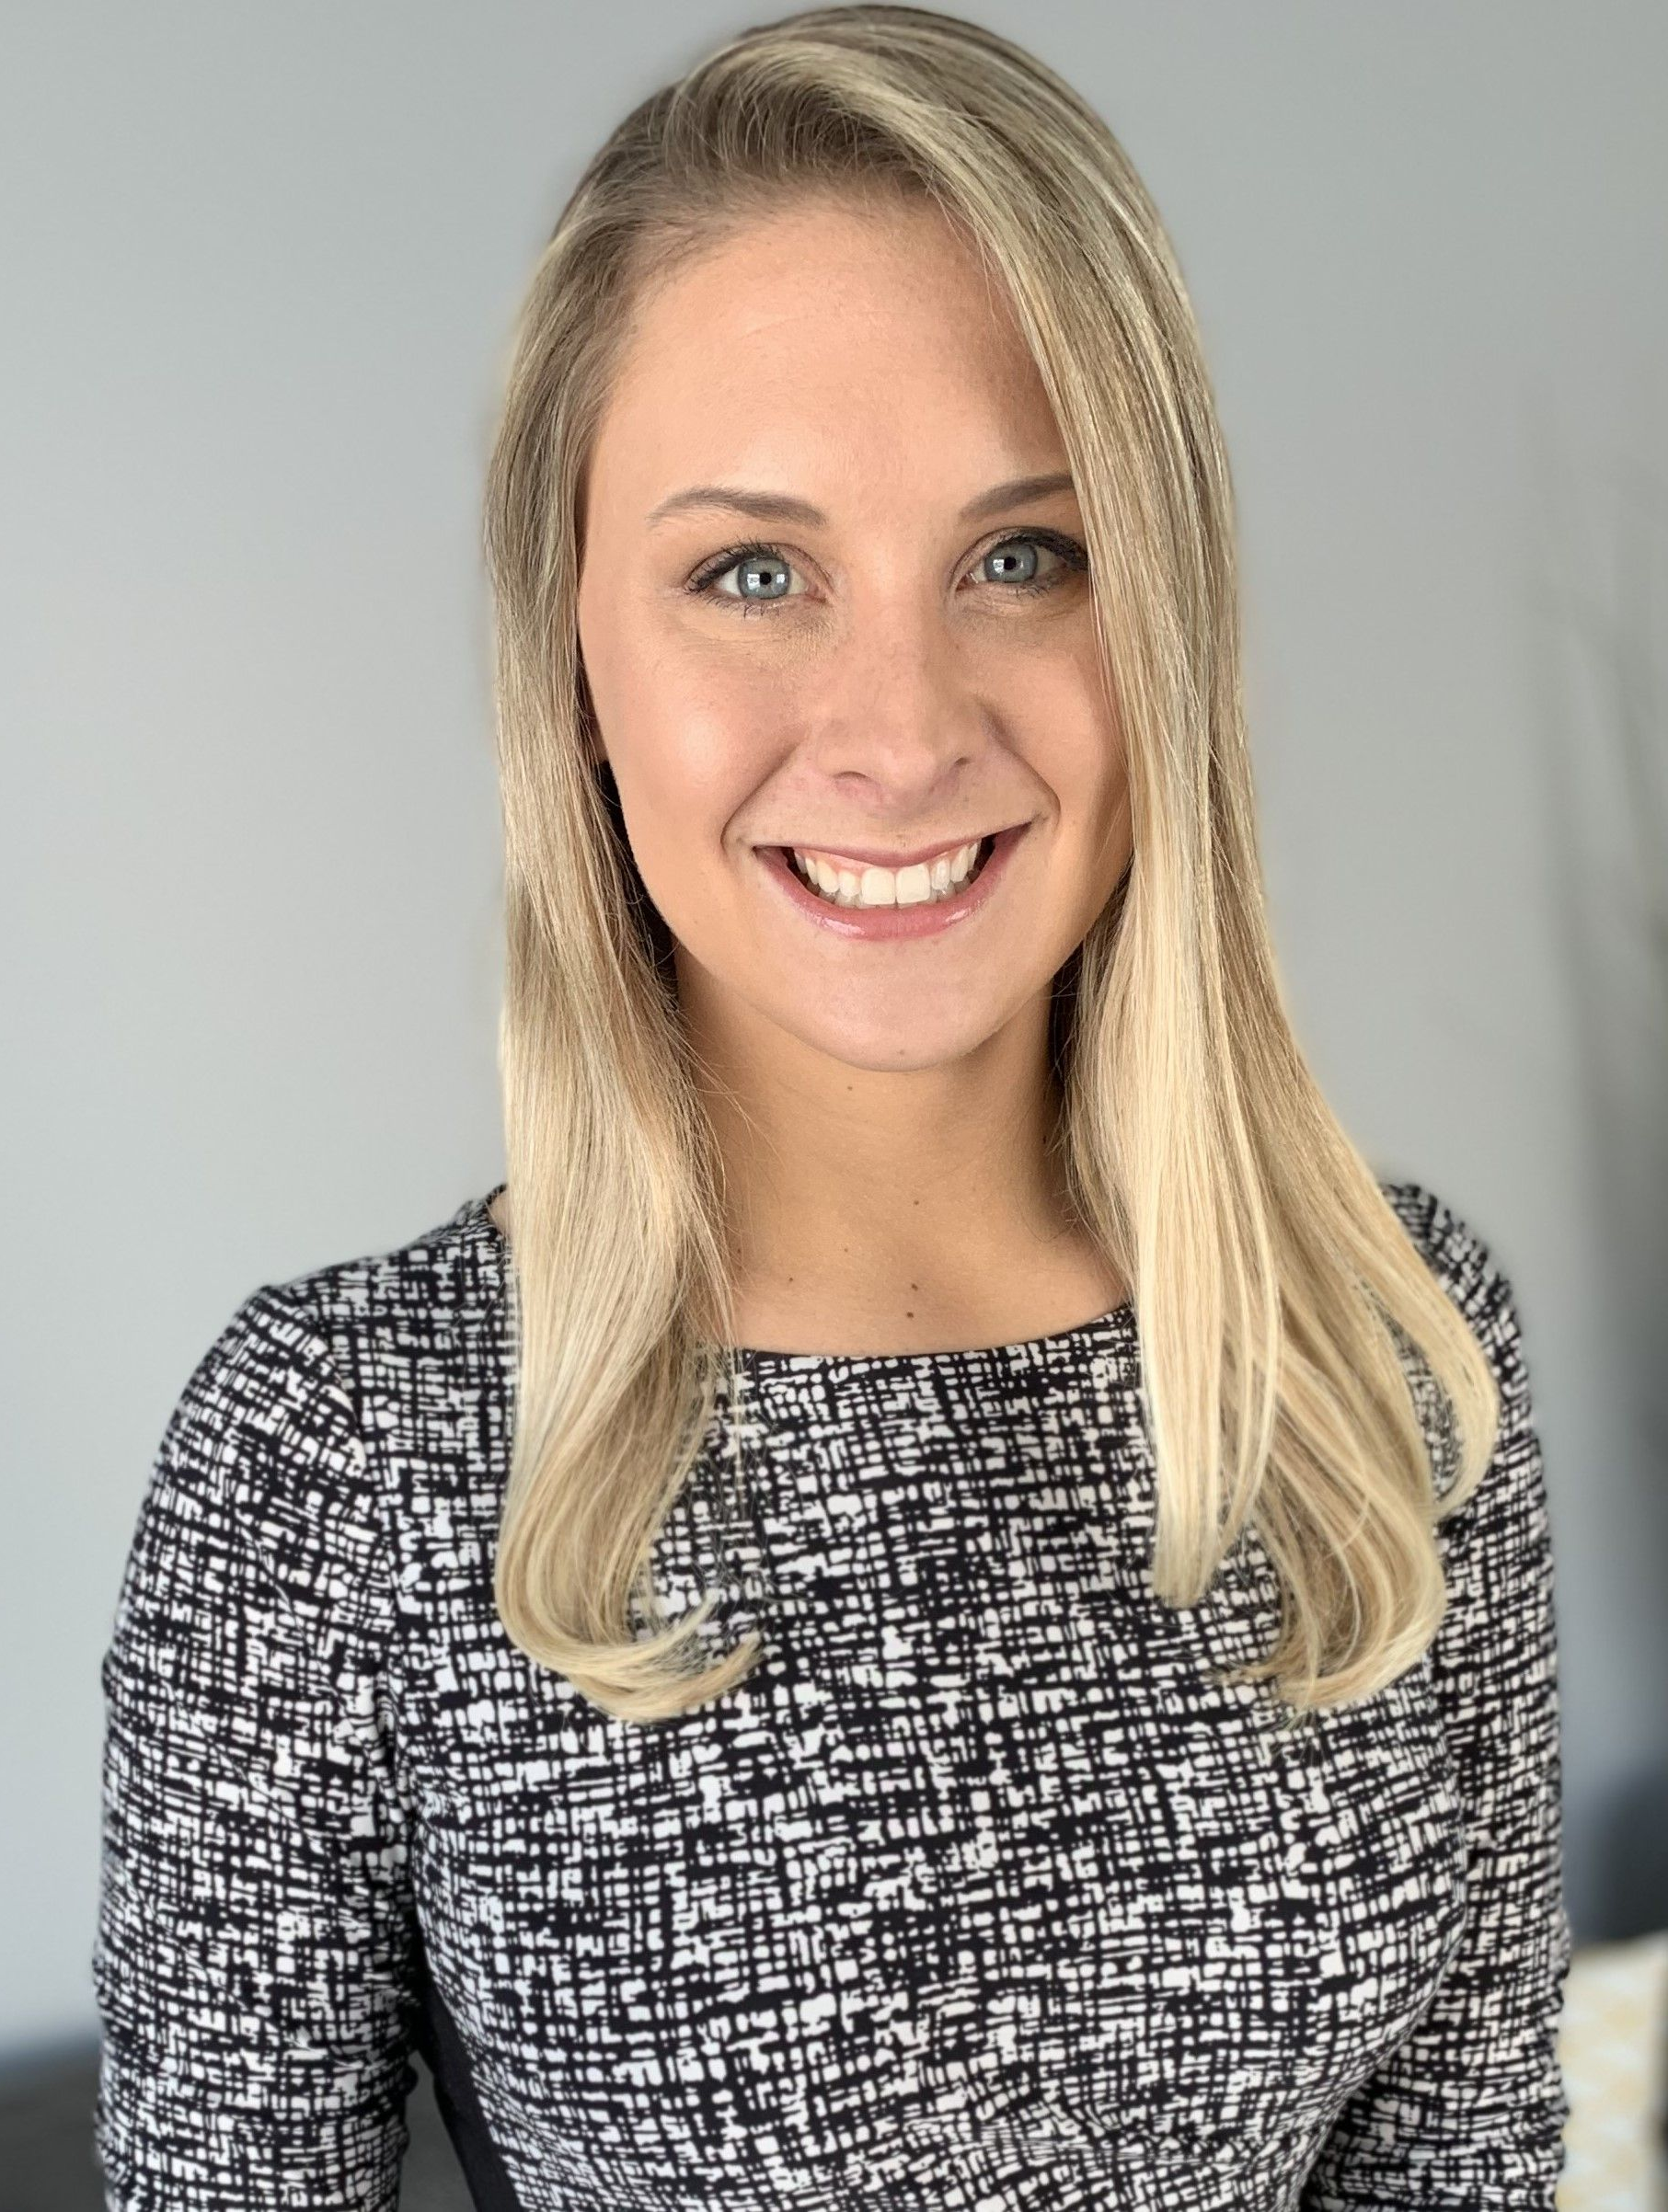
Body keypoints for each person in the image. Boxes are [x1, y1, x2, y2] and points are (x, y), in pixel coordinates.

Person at [90, 6, 1571, 2206]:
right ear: (575, 661)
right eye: (754, 573)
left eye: (1023, 553)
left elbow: (1466, 2159)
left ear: (1164, 622)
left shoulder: (1387, 1349)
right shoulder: (341, 1452)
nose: (898, 731)